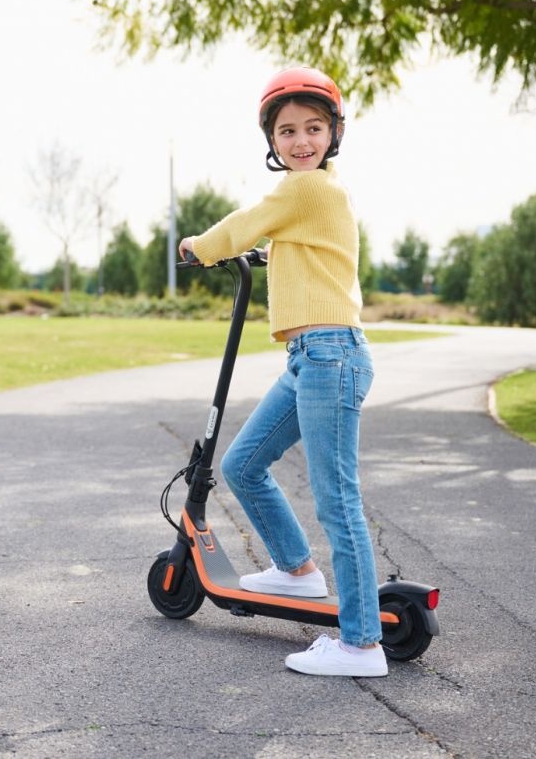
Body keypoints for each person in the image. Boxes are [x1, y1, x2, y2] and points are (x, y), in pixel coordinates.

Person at [178, 67, 384, 677]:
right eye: (287, 130)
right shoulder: (318, 198)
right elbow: (301, 249)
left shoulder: (306, 188)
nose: (300, 141)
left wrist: (199, 246)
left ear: (333, 133)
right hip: (311, 359)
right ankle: (297, 571)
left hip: (331, 355)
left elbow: (243, 222)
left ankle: (361, 644)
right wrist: (272, 255)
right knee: (242, 465)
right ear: (272, 139)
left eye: (313, 128)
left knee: (337, 501)